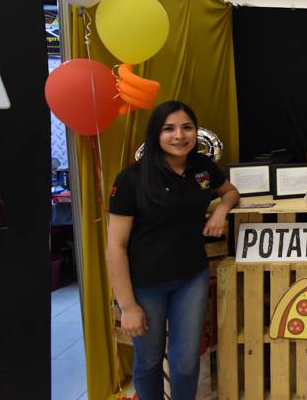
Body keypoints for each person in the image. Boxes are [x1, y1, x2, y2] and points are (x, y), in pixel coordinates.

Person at [106, 101, 240, 400]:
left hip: (192, 277)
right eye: (169, 129)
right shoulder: (131, 179)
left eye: (186, 128)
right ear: (156, 134)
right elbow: (115, 246)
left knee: (186, 362)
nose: (179, 136)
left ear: (196, 132)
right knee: (149, 360)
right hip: (146, 284)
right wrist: (128, 306)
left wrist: (220, 212)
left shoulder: (201, 166)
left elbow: (230, 192)